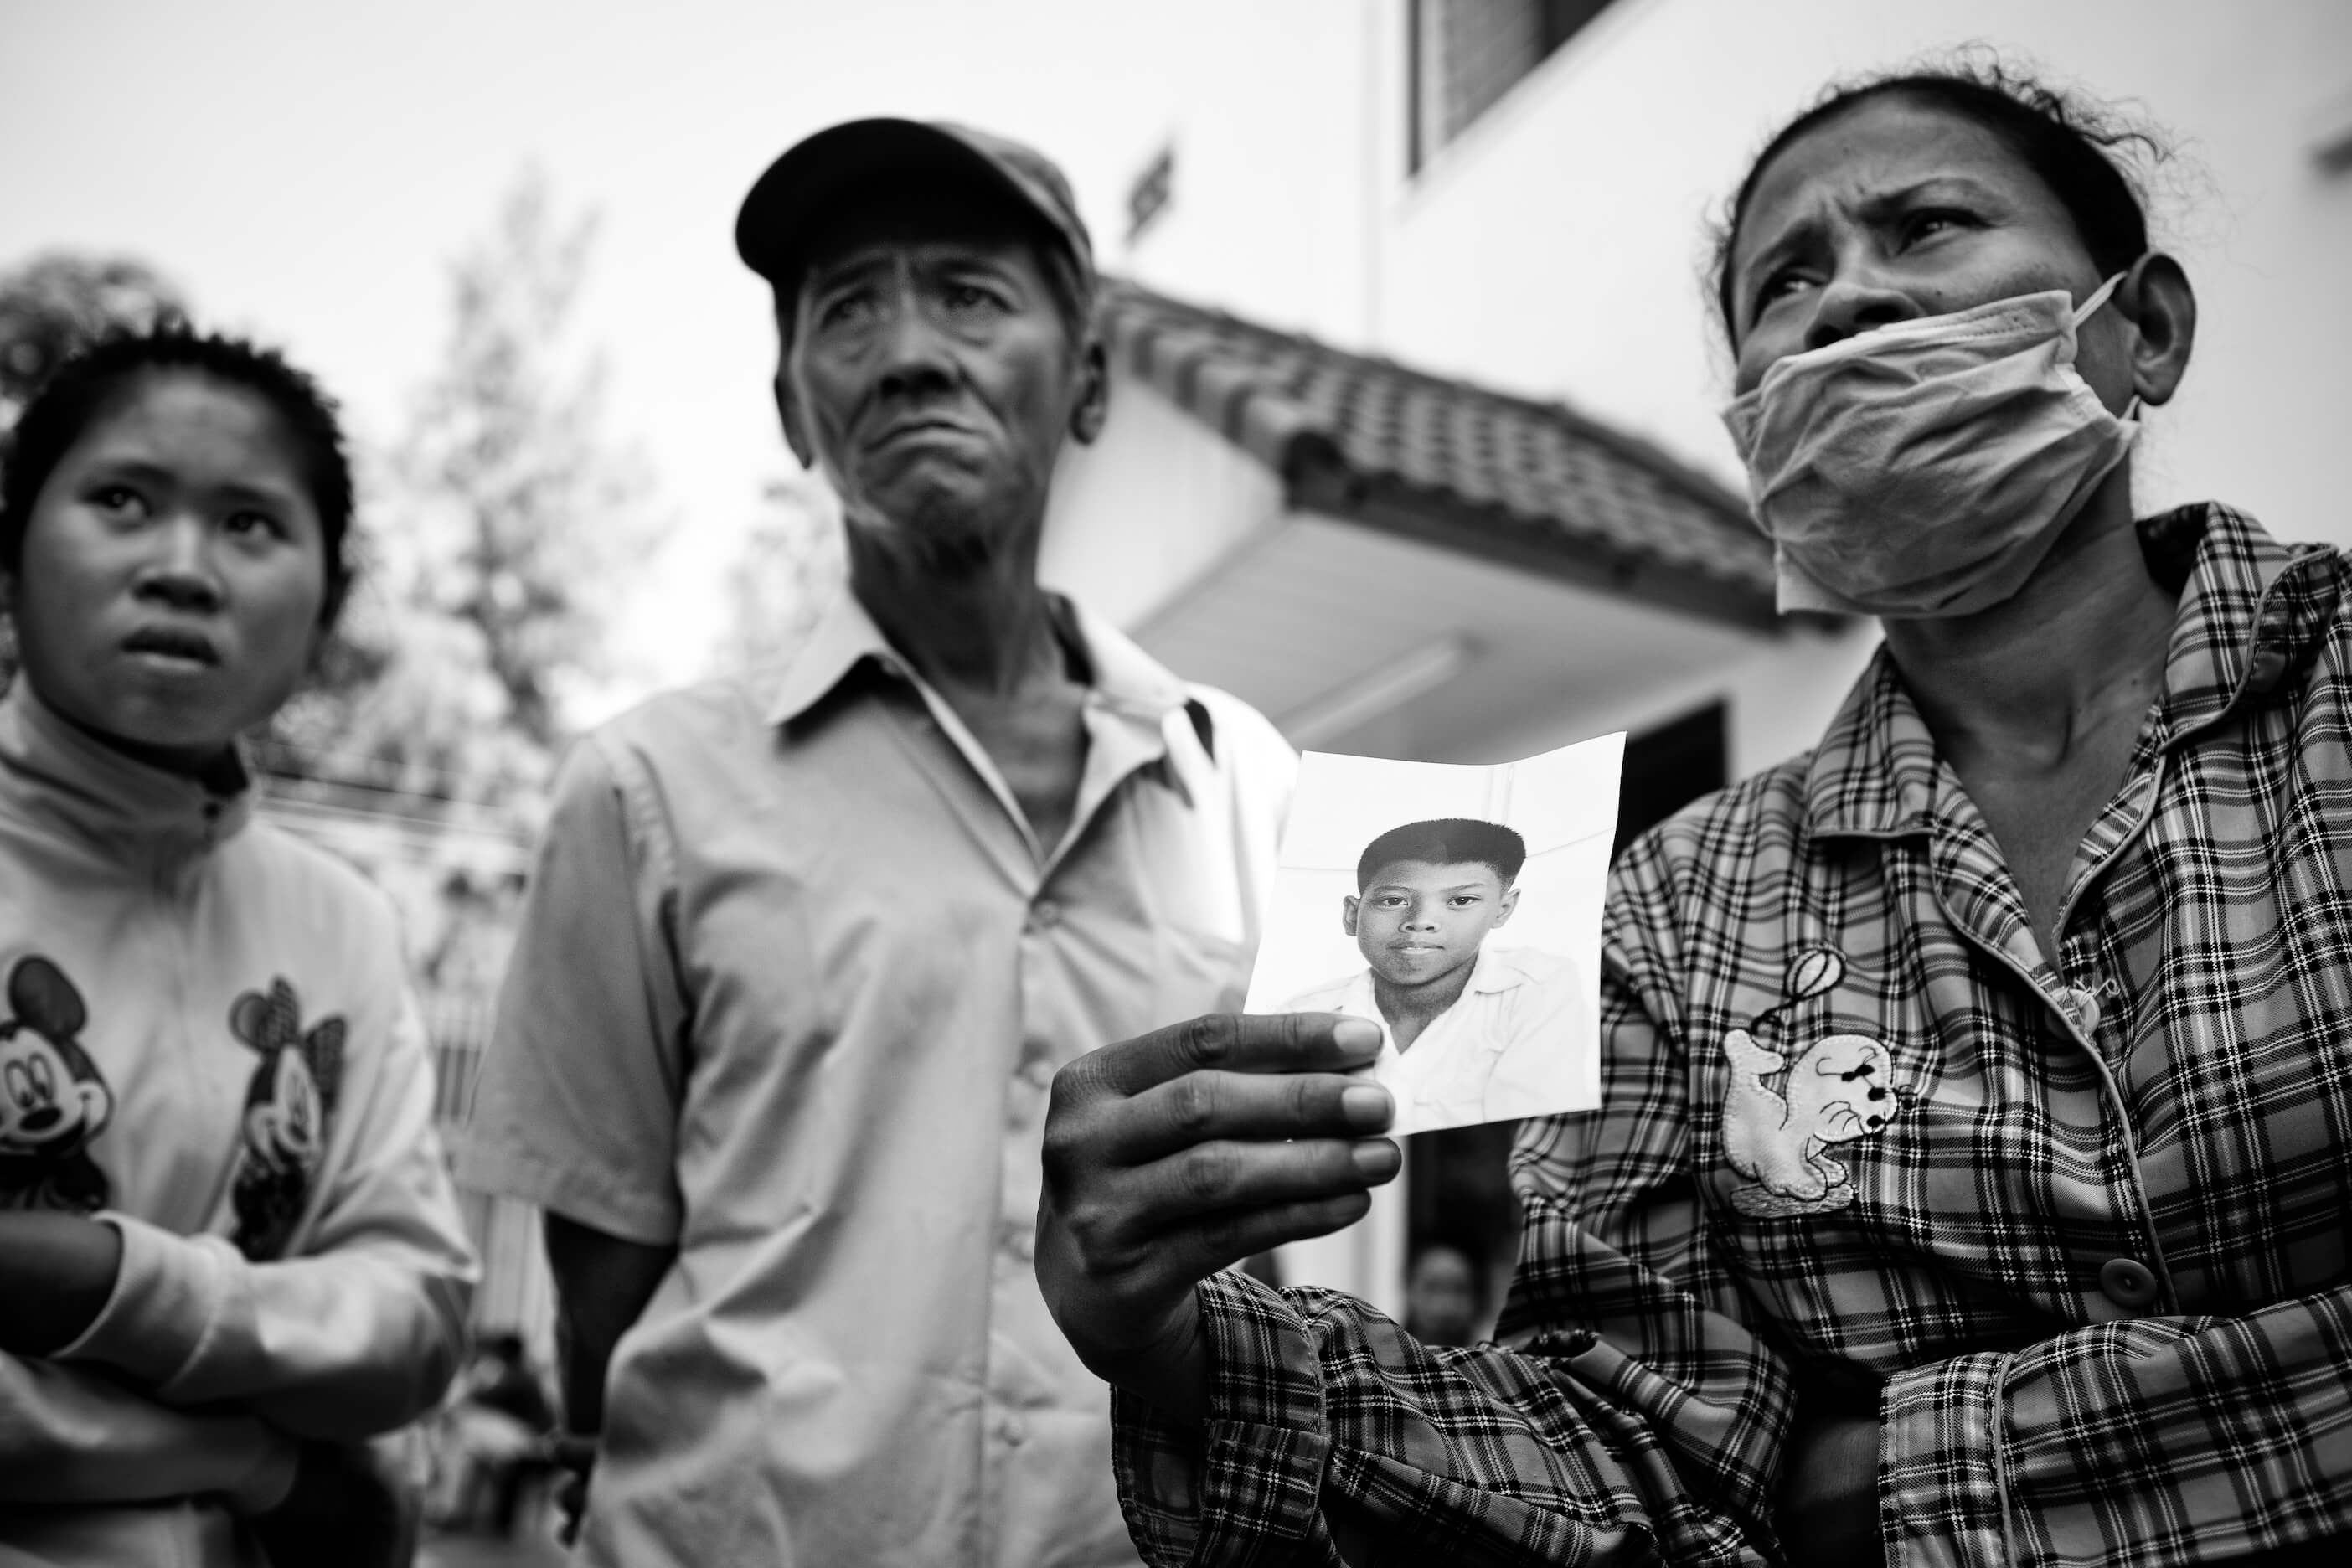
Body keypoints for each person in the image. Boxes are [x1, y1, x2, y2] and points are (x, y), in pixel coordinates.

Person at [1034, 59, 2351, 1567]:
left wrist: (1880, 1484)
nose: (1850, 299)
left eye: (1926, 226)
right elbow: (1635, 1459)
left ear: (2143, 326)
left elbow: (1794, 1506)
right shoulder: (1675, 907)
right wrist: (1179, 1347)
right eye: (1787, 281)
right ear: (1758, 440)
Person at [457, 118, 1293, 1567]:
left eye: (969, 294)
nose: (908, 352)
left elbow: (1249, 1228)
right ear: (794, 405)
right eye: (847, 309)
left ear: (1085, 379)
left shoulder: (1234, 782)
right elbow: (603, 1285)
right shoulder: (646, 789)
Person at [0, 329, 477, 1566]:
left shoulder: (342, 925)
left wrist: (106, 1282)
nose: (182, 569)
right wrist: (260, 1456)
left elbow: (414, 1313)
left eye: (250, 525)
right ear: (10, 551)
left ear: (325, 605)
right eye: (121, 500)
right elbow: (340, 1368)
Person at [1282, 818, 1584, 1132]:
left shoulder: (1537, 989)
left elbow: (1531, 1125)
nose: (1421, 921)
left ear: (1503, 909)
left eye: (1460, 901)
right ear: (1352, 915)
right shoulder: (1302, 1016)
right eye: (1394, 900)